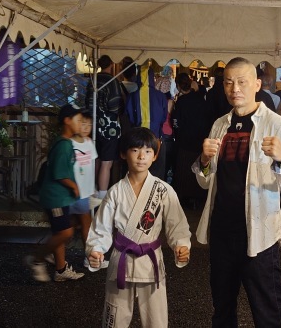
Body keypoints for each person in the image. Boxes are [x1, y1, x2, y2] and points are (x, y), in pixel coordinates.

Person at [193, 57, 281, 327]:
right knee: (222, 309)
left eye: (242, 82)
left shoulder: (275, 124)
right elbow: (205, 182)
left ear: (257, 84)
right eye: (229, 83)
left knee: (267, 312)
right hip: (222, 231)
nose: (236, 89)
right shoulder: (220, 124)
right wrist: (205, 161)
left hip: (259, 233)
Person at [86, 127, 191, 328]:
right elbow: (102, 226)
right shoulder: (116, 192)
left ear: (155, 155)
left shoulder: (163, 190)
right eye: (135, 150)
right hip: (121, 262)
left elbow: (176, 224)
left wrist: (181, 245)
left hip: (150, 263)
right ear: (123, 153)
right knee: (114, 319)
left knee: (156, 321)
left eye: (148, 151)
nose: (141, 156)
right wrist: (96, 249)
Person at [26, 104, 85, 282]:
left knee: (61, 230)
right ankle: (37, 258)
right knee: (65, 233)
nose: (81, 124)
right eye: (79, 120)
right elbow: (60, 174)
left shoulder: (64, 143)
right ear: (67, 121)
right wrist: (74, 186)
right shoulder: (64, 146)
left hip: (59, 196)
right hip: (55, 198)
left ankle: (60, 269)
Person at [87, 55, 125, 201]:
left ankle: (93, 190)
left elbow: (87, 103)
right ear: (111, 64)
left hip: (93, 124)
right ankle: (103, 196)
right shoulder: (112, 81)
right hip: (110, 127)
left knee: (96, 158)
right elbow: (114, 105)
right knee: (106, 162)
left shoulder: (93, 80)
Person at [173, 72, 211, 207]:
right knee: (197, 169)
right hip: (200, 141)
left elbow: (176, 122)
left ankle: (185, 199)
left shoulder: (181, 101)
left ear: (178, 86)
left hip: (184, 141)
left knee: (184, 170)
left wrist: (177, 134)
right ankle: (198, 197)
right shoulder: (201, 99)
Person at [70, 111, 99, 267]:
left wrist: (93, 186)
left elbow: (91, 166)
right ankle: (90, 258)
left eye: (89, 124)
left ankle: (53, 251)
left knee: (71, 226)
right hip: (75, 192)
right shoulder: (69, 144)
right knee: (86, 225)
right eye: (83, 123)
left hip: (86, 192)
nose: (86, 127)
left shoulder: (89, 142)